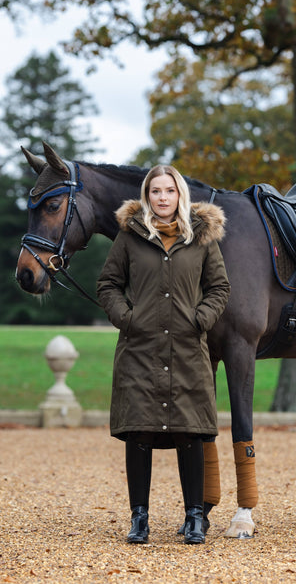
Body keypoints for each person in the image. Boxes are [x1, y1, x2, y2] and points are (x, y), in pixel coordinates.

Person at [96, 165, 230, 545]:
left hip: (188, 349)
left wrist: (200, 319)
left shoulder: (202, 239)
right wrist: (126, 317)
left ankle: (194, 518)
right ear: (147, 196)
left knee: (191, 433)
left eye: (169, 190)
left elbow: (219, 286)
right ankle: (139, 518)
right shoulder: (130, 237)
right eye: (155, 191)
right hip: (140, 349)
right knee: (139, 431)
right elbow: (108, 283)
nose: (162, 197)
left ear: (180, 195)